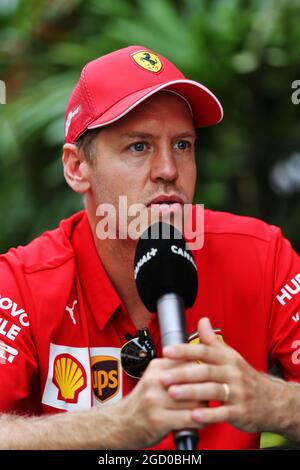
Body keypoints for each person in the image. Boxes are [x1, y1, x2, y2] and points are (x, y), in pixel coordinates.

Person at [0, 45, 300, 450]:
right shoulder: (21, 284)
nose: (168, 171)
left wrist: (272, 401)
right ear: (76, 168)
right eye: (138, 146)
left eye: (182, 145)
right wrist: (115, 427)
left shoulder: (263, 256)